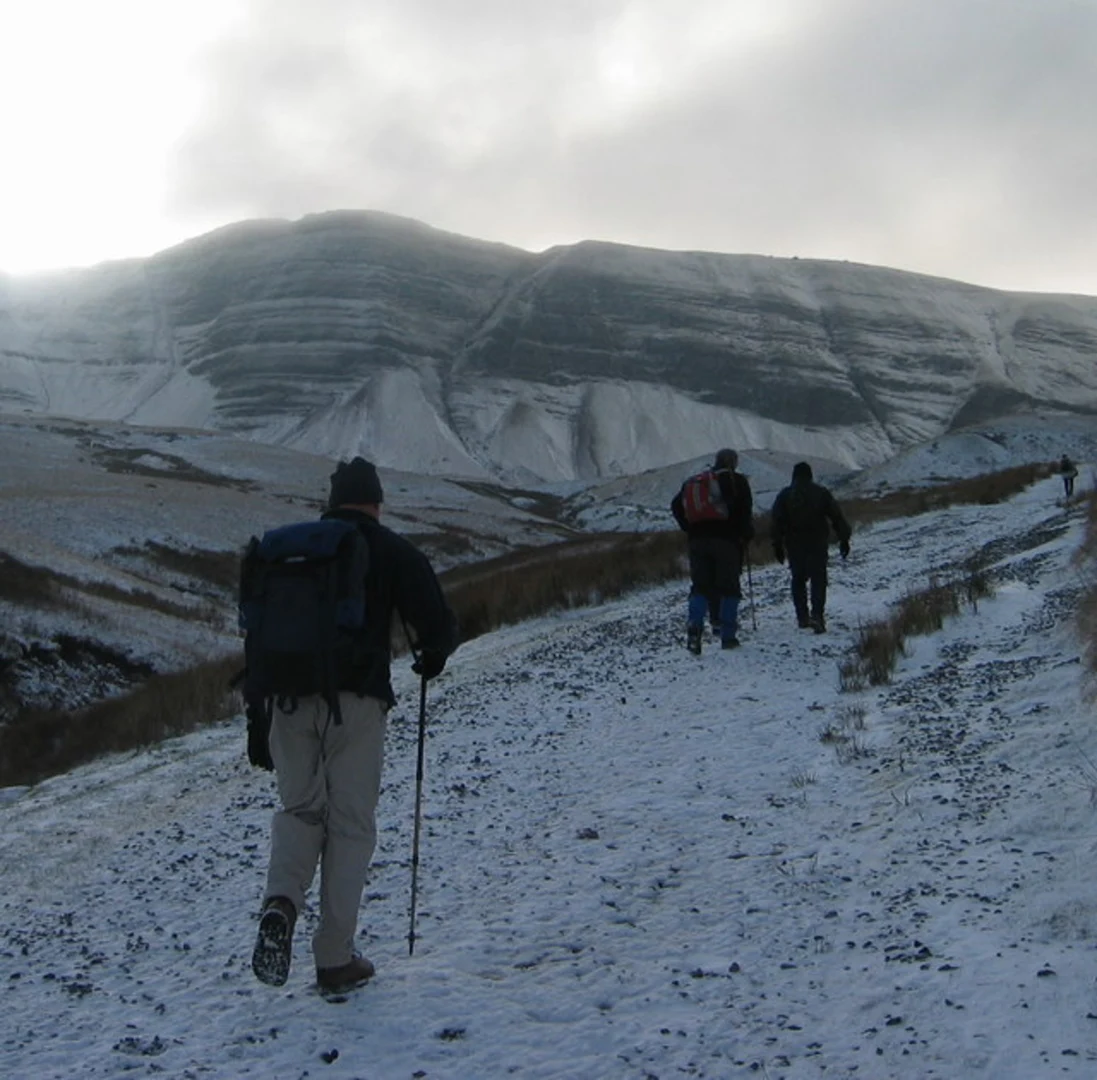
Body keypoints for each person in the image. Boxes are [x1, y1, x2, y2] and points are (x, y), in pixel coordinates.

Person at [251, 457, 457, 995]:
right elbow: (436, 622)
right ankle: (335, 958)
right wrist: (432, 657)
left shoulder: (291, 553)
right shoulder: (388, 548)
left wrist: (257, 719)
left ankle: (281, 902)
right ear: (375, 501)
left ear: (333, 500)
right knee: (349, 824)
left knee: (300, 809)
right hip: (356, 702)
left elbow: (255, 634)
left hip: (286, 702)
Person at [671, 448, 754, 652]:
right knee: (729, 588)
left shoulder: (695, 482)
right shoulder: (737, 481)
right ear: (733, 462)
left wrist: (689, 527)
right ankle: (727, 636)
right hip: (727, 541)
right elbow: (745, 513)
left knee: (700, 587)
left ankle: (694, 627)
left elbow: (675, 505)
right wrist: (745, 536)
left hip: (697, 541)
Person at [770, 461, 852, 634]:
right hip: (817, 541)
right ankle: (817, 615)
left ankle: (802, 616)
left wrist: (777, 545)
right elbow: (836, 516)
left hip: (794, 543)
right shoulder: (821, 493)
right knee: (818, 579)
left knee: (798, 579)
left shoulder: (785, 495)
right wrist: (844, 539)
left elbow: (777, 522)